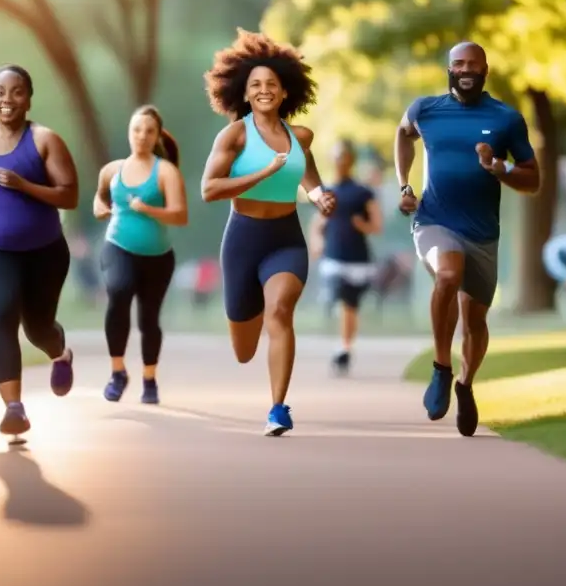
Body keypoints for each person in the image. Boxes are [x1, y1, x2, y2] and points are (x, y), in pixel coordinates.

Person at [395, 42, 539, 437]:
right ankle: (442, 368)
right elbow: (403, 134)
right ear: (449, 69)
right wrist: (405, 185)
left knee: (475, 321)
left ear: (485, 70)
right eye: (459, 63)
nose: (466, 69)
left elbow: (533, 178)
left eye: (473, 63)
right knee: (447, 273)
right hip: (434, 220)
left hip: (483, 233)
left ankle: (465, 383)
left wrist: (499, 167)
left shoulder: (506, 118)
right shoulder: (426, 109)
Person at [201, 28, 336, 436]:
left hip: (285, 239)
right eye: (255, 85)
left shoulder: (301, 137)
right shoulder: (235, 135)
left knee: (280, 310)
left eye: (271, 85)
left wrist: (319, 196)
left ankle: (278, 408)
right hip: (243, 239)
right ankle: (252, 312)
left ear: (284, 92)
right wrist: (263, 172)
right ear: (243, 94)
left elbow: (310, 179)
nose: (263, 90)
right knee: (244, 350)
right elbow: (209, 189)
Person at [0, 64, 78, 439]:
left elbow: (69, 195)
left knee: (37, 328)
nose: (8, 100)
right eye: (1, 92)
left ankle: (60, 353)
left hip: (44, 252)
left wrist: (25, 186)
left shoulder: (44, 141)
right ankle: (14, 408)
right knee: (1, 314)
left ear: (28, 97)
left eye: (16, 92)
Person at [93, 105, 187, 405]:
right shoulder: (112, 170)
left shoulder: (166, 172)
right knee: (118, 292)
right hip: (117, 246)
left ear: (157, 135)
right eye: (136, 129)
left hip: (158, 257)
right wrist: (99, 207)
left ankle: (149, 379)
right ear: (129, 132)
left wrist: (149, 210)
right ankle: (118, 372)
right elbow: (100, 196)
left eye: (149, 131)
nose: (142, 136)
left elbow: (180, 216)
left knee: (149, 320)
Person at [310, 139, 383, 375]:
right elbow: (317, 224)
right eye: (336, 156)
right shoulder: (327, 192)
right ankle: (342, 343)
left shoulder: (362, 193)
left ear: (350, 160)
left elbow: (377, 224)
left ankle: (344, 348)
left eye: (343, 156)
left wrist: (363, 225)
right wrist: (317, 242)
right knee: (342, 300)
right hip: (333, 260)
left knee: (350, 307)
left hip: (358, 261)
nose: (340, 161)